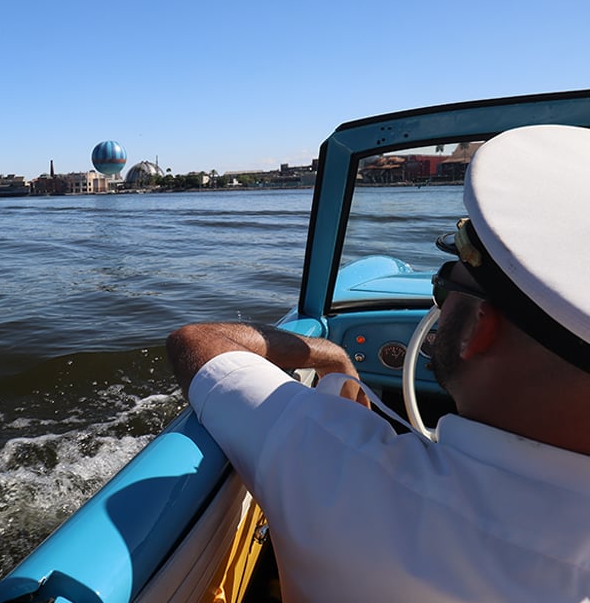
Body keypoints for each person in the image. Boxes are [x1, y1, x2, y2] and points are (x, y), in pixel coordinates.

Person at [167, 124, 590, 602]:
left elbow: (199, 342)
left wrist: (333, 355)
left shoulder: (351, 475)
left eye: (444, 288)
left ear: (478, 329)